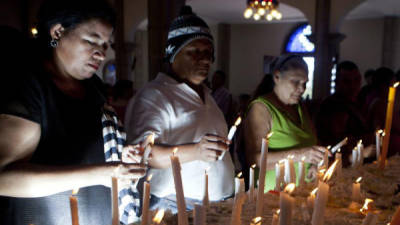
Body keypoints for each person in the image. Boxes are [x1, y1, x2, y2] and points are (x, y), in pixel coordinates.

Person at [0, 1, 145, 225]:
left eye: (106, 45)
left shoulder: (93, 88)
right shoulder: (30, 88)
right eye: (91, 41)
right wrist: (101, 174)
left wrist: (119, 157)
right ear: (58, 32)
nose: (101, 54)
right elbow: (5, 178)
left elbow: (89, 150)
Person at [125, 6, 235, 212]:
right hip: (176, 203)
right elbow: (145, 153)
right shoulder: (155, 95)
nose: (204, 59)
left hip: (218, 203)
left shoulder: (208, 95)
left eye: (208, 52)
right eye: (194, 52)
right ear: (173, 53)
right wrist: (196, 151)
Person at [242, 54, 326, 192]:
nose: (302, 89)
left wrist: (313, 163)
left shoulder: (299, 106)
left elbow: (309, 143)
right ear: (277, 77)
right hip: (273, 195)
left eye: (305, 83)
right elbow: (255, 160)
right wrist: (300, 155)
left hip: (303, 191)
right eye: (296, 82)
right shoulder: (261, 109)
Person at [316, 61, 373, 166]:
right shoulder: (332, 105)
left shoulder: (360, 101)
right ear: (337, 82)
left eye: (356, 80)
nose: (353, 86)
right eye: (347, 82)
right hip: (341, 163)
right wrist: (367, 138)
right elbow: (339, 141)